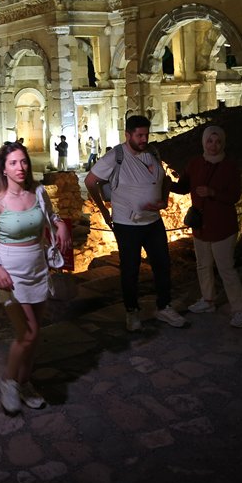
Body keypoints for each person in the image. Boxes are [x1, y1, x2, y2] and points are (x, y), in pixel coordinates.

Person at [0, 142, 71, 414]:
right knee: (27, 333)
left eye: (24, 162)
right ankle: (8, 380)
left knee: (35, 333)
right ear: (3, 169)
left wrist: (61, 224)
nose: (21, 167)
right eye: (14, 163)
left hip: (38, 271)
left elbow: (51, 216)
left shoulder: (38, 193)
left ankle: (25, 382)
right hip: (10, 276)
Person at [84, 115, 188, 332]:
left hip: (153, 222)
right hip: (127, 224)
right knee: (130, 269)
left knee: (162, 265)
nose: (143, 139)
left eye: (146, 135)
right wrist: (104, 210)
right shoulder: (116, 156)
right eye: (139, 135)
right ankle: (132, 311)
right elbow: (90, 181)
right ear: (128, 135)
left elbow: (163, 180)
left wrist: (162, 200)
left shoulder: (152, 153)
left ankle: (164, 306)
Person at [172, 125, 242, 328]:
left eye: (217, 141)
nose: (213, 145)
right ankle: (208, 300)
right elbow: (183, 186)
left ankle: (240, 309)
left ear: (223, 143)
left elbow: (234, 196)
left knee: (226, 269)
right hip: (201, 226)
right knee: (203, 265)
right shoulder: (195, 164)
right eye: (210, 141)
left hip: (222, 226)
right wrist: (163, 183)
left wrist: (212, 192)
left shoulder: (229, 167)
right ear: (204, 142)